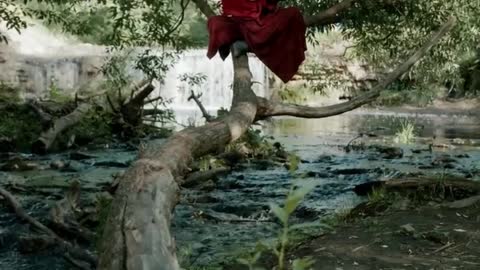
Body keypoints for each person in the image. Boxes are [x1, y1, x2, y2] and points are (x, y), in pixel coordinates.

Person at [207, 0, 307, 83]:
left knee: (294, 14)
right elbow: (231, 8)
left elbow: (270, 5)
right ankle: (248, 45)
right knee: (215, 22)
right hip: (240, 23)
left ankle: (247, 45)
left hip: (261, 21)